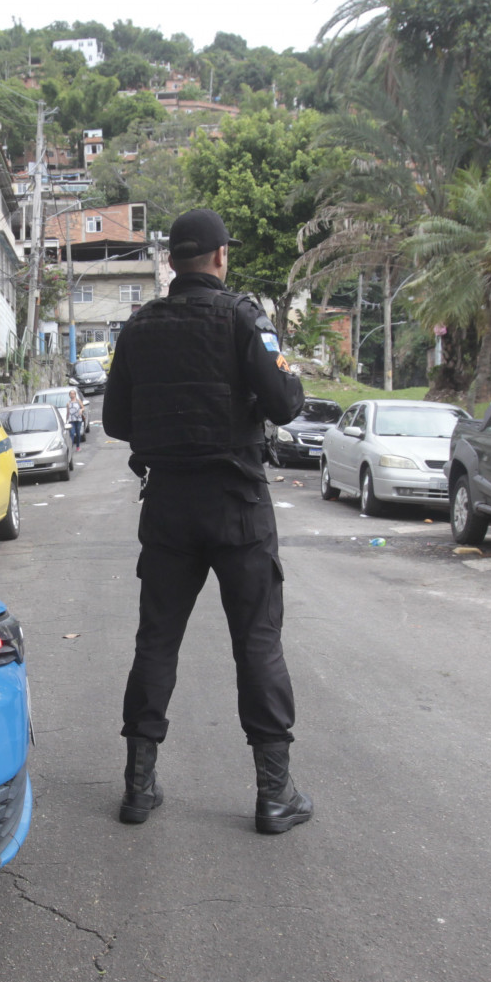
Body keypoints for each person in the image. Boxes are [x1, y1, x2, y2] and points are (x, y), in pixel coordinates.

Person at [101, 207, 312, 835]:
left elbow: (115, 423)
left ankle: (138, 787)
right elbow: (286, 404)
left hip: (167, 507)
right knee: (257, 642)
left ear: (171, 262)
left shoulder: (139, 329)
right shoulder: (245, 318)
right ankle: (274, 796)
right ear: (221, 257)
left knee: (156, 642)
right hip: (237, 506)